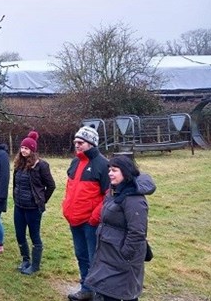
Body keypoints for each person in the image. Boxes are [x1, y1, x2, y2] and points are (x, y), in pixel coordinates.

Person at [84, 156, 156, 301]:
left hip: (121, 259)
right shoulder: (115, 192)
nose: (110, 173)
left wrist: (125, 255)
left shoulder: (134, 199)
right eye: (109, 169)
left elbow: (137, 232)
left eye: (114, 170)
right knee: (109, 293)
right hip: (109, 255)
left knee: (121, 295)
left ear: (126, 172)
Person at [62, 126, 110, 301]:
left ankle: (98, 292)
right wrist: (66, 207)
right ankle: (86, 288)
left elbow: (108, 195)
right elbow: (70, 189)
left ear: (91, 143)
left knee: (94, 258)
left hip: (91, 222)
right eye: (75, 142)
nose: (77, 145)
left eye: (80, 142)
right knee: (81, 255)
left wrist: (94, 217)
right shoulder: (75, 162)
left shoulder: (103, 165)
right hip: (74, 219)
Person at [12, 131, 56, 275]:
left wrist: (41, 201)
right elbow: (16, 183)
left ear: (32, 150)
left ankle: (35, 265)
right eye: (22, 148)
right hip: (19, 206)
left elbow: (51, 185)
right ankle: (25, 260)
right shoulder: (18, 163)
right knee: (19, 234)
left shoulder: (41, 165)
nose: (23, 150)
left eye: (27, 148)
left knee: (34, 235)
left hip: (33, 208)